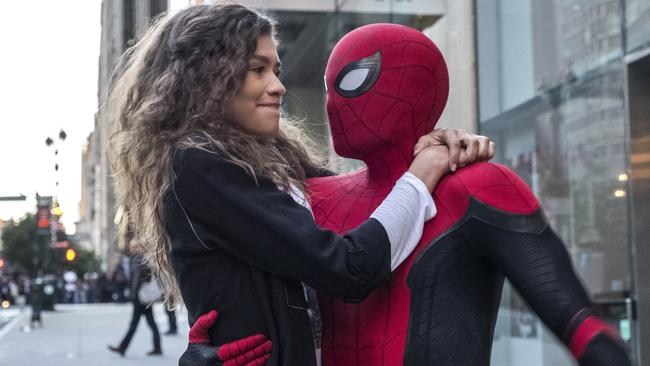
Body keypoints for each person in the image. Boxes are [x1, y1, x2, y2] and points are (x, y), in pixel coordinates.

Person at [184, 23, 631, 366]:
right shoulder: (304, 195)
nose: (333, 103)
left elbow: (578, 322)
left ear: (418, 86)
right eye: (327, 87)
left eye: (354, 80)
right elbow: (224, 288)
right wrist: (205, 353)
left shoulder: (472, 187)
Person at [107, 4, 490, 366]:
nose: (278, 86)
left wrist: (432, 145)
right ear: (208, 77)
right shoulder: (199, 164)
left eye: (276, 70)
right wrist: (422, 173)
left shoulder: (272, 158)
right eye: (258, 69)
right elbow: (347, 267)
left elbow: (363, 200)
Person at [108, 238, 162, 356]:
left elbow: (137, 280)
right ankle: (157, 347)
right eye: (132, 247)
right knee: (150, 322)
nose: (133, 249)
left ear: (141, 247)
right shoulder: (141, 259)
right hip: (143, 296)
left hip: (140, 297)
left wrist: (133, 295)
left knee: (135, 323)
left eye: (136, 247)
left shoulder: (140, 259)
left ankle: (122, 347)